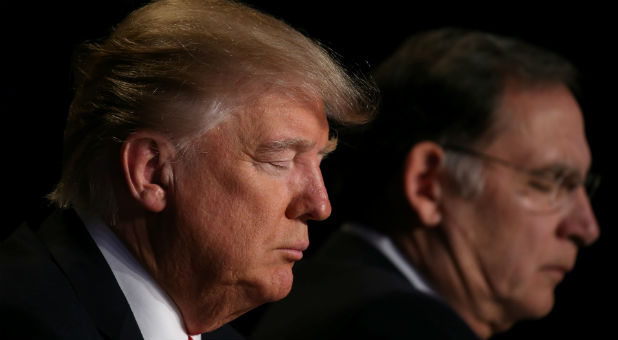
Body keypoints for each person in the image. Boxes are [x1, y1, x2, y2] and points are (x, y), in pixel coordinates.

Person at [0, 0, 376, 338]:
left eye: (320, 162)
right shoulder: (25, 318)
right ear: (152, 172)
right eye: (280, 160)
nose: (320, 204)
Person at [250, 27, 600, 339]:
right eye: (549, 181)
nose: (586, 227)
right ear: (427, 183)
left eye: (583, 186)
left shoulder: (323, 294)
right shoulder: (398, 325)